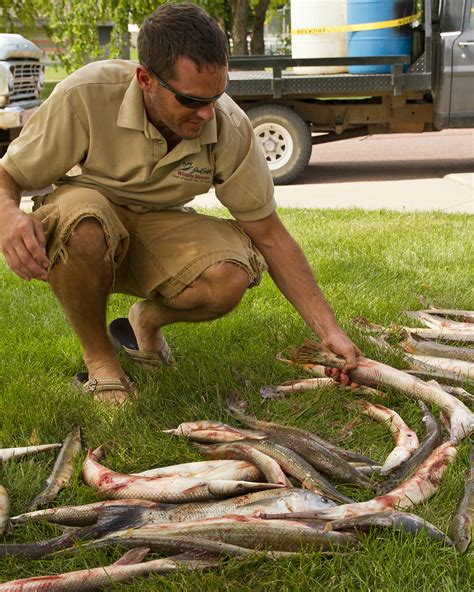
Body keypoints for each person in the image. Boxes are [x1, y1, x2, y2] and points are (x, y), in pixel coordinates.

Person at [0, 3, 360, 405]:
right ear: (145, 80)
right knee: (84, 222)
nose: (207, 114)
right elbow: (9, 174)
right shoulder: (87, 93)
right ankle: (101, 361)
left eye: (217, 95)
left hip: (159, 224)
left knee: (229, 276)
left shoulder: (229, 124)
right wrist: (8, 216)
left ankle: (145, 322)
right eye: (190, 100)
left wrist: (330, 331)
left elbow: (271, 236)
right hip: (89, 216)